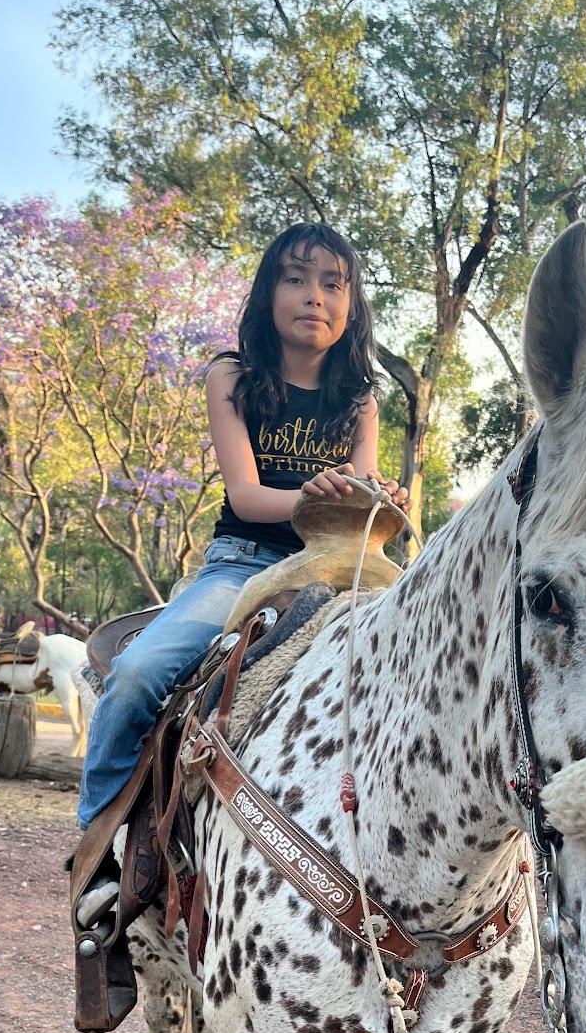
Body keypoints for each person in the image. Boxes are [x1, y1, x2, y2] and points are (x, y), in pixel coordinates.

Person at [76, 223, 407, 832]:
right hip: (245, 561)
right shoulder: (230, 378)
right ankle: (101, 842)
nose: (315, 296)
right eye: (296, 278)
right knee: (136, 676)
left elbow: (358, 509)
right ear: (267, 293)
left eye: (333, 284)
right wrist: (313, 495)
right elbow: (248, 498)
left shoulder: (360, 401)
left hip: (340, 570)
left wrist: (377, 499)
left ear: (352, 306)